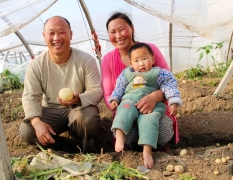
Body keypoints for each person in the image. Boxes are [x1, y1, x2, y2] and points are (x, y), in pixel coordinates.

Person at [19, 16, 103, 153]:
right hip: (50, 111)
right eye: (51, 33)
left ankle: (86, 145)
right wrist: (36, 122)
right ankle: (64, 147)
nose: (56, 38)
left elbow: (96, 90)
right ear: (44, 36)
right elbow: (30, 96)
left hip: (77, 109)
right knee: (27, 131)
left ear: (70, 34)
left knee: (87, 120)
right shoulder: (36, 65)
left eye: (62, 32)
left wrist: (79, 99)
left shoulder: (86, 60)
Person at [101, 12, 179, 152]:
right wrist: (116, 104)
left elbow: (168, 81)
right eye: (113, 32)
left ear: (132, 29)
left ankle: (156, 146)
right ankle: (133, 147)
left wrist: (153, 97)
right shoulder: (108, 59)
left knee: (161, 134)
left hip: (153, 109)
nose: (118, 35)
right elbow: (108, 93)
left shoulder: (150, 50)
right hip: (127, 108)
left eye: (122, 29)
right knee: (126, 132)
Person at [110, 43, 182, 168]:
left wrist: (173, 102)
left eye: (145, 59)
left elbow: (170, 86)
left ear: (153, 59)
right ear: (131, 63)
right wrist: (114, 99)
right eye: (136, 60)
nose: (141, 63)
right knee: (124, 111)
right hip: (130, 100)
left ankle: (147, 151)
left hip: (152, 107)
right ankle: (120, 137)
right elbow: (119, 87)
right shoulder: (126, 74)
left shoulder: (159, 73)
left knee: (150, 121)